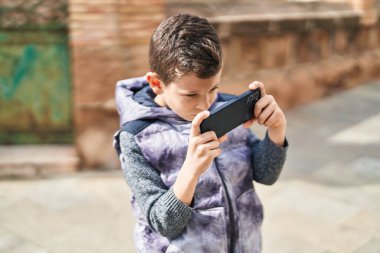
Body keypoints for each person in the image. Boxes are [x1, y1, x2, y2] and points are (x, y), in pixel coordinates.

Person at [113, 13, 288, 253]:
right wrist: (191, 169)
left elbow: (265, 174)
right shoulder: (136, 137)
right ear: (156, 84)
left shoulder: (225, 110)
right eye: (191, 95)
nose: (205, 104)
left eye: (213, 89)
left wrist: (276, 132)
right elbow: (163, 224)